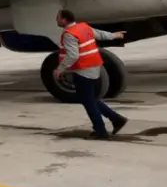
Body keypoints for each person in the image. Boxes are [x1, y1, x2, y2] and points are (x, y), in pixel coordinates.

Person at [53, 9, 129, 139]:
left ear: (64, 20)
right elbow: (100, 34)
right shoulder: (83, 27)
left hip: (83, 70)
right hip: (94, 66)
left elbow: (73, 55)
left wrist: (60, 69)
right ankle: (116, 119)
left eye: (58, 18)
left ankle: (100, 131)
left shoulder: (69, 34)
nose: (56, 20)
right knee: (90, 99)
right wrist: (115, 35)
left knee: (88, 102)